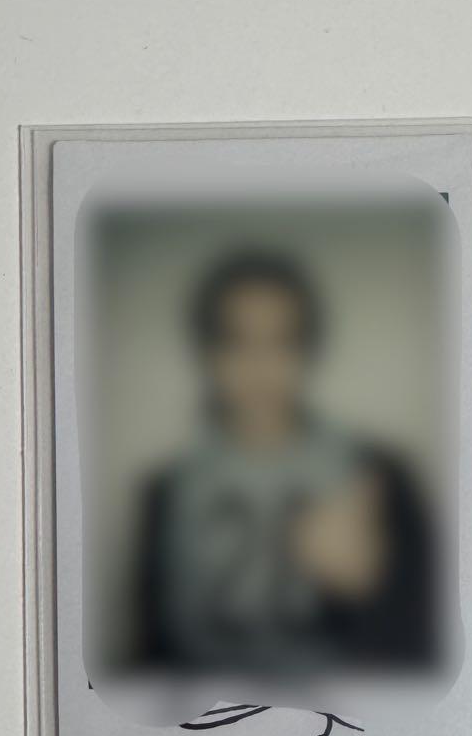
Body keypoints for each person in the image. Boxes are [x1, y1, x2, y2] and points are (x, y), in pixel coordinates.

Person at [130, 250, 437, 676]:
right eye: (238, 341)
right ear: (208, 354)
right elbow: (148, 662)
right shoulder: (166, 492)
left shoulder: (378, 475)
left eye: (282, 341)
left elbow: (425, 657)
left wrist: (366, 594)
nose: (260, 365)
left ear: (308, 350)